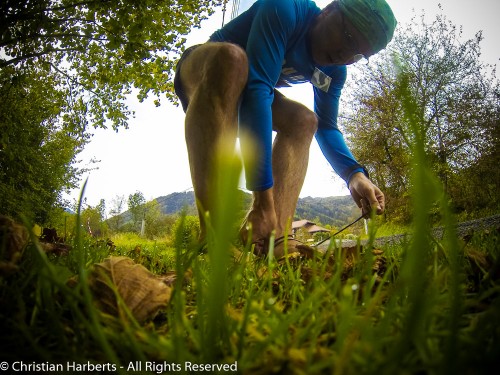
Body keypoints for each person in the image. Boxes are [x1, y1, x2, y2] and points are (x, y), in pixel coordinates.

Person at [174, 0, 396, 257]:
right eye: (347, 37)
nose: (344, 55)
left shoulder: (334, 72)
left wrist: (354, 175)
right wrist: (262, 199)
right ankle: (212, 235)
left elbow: (326, 127)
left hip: (246, 95)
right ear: (329, 11)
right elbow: (259, 91)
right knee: (233, 58)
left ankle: (274, 238)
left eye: (358, 54)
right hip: (205, 73)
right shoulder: (285, 8)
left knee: (305, 120)